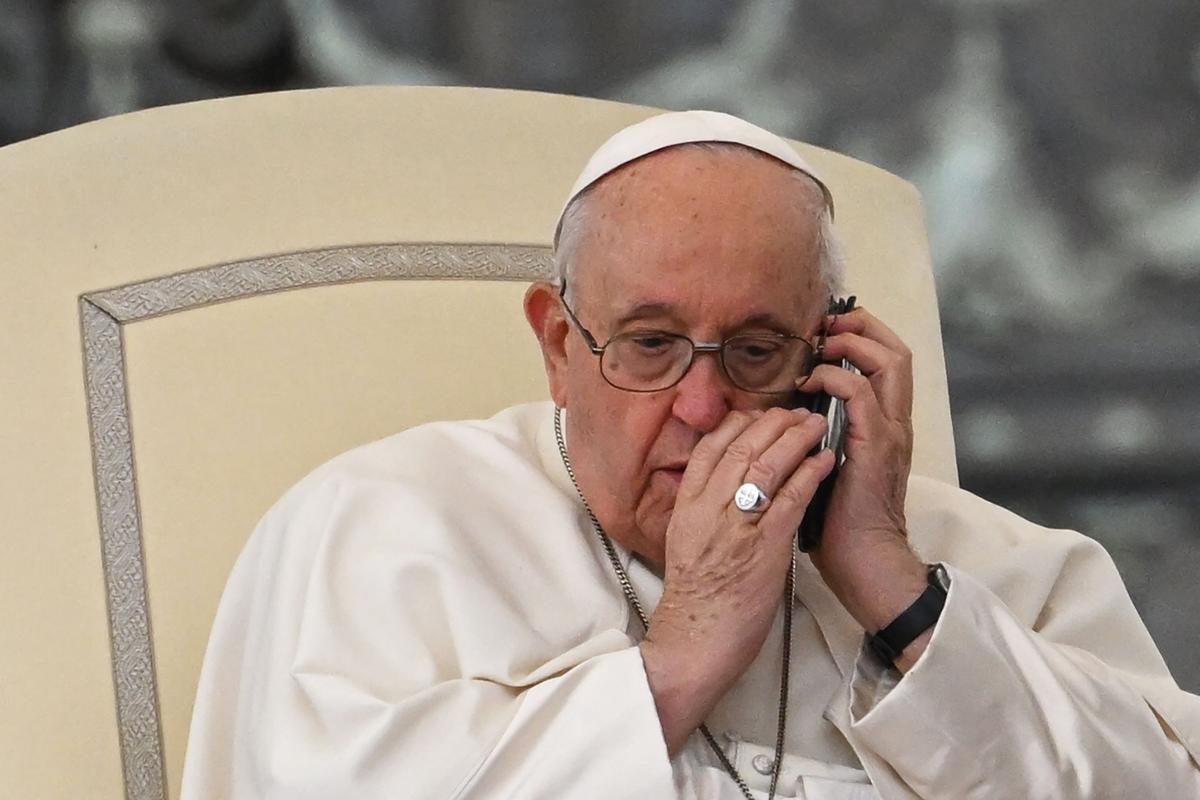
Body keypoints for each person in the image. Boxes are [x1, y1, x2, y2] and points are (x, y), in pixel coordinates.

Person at [181, 111, 1200, 799]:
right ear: (557, 345)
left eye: (755, 351)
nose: (703, 404)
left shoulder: (989, 561)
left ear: (831, 352)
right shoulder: (381, 527)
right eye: (651, 344)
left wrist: (899, 591)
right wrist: (680, 656)